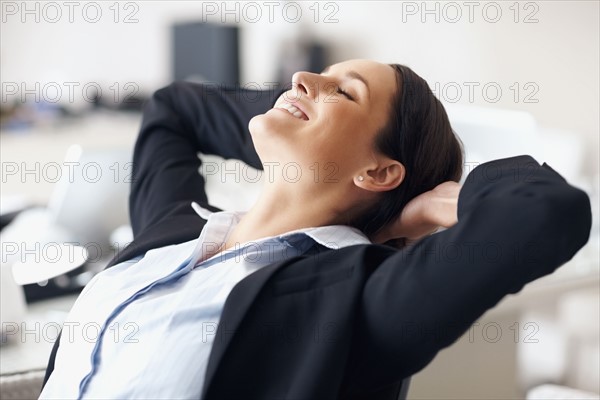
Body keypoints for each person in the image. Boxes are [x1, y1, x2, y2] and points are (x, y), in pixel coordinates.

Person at [40, 59, 591, 400]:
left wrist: (443, 199)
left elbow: (547, 212)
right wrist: (296, 118)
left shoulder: (352, 301)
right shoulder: (173, 230)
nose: (303, 78)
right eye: (313, 79)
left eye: (345, 91)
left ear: (379, 172)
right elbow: (176, 109)